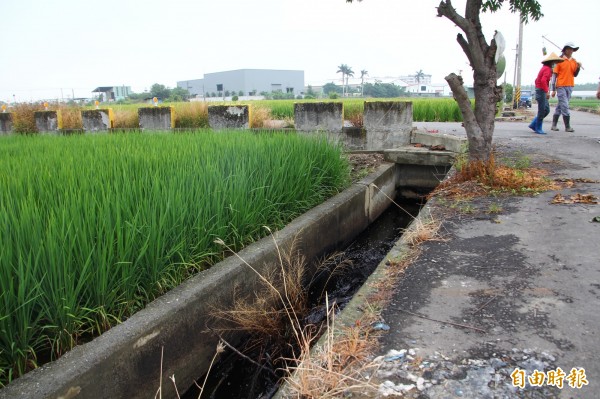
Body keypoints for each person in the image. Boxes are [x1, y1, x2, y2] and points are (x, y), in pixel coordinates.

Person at [528, 52, 564, 134]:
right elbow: (543, 80)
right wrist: (547, 91)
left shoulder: (546, 68)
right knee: (542, 110)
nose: (556, 64)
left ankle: (534, 124)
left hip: (541, 90)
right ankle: (538, 127)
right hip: (541, 91)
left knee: (546, 109)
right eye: (555, 63)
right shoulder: (547, 69)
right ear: (551, 62)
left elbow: (538, 80)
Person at [550, 42, 582, 132]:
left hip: (570, 86)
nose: (571, 51)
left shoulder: (574, 61)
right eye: (570, 49)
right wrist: (553, 90)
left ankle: (553, 125)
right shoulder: (559, 61)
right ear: (566, 50)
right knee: (565, 105)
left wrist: (578, 67)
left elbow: (575, 74)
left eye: (572, 49)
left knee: (560, 106)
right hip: (561, 86)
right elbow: (554, 76)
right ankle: (567, 127)